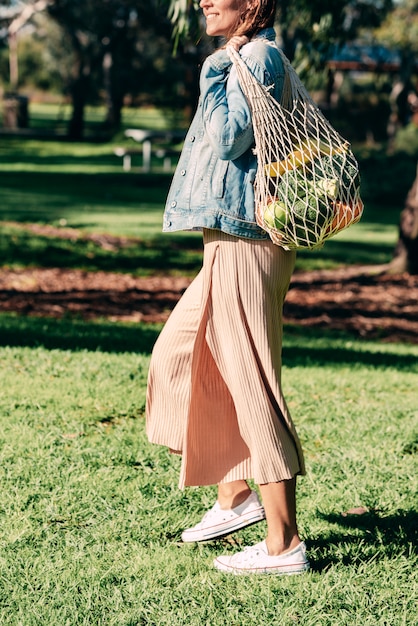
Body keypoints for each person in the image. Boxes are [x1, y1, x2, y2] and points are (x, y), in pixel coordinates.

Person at [146, 0, 309, 575]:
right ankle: (235, 493)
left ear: (254, 2)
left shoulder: (254, 57)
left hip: (248, 244)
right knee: (180, 358)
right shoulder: (246, 55)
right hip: (228, 243)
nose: (201, 2)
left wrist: (214, 70)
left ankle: (283, 544)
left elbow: (230, 138)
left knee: (251, 381)